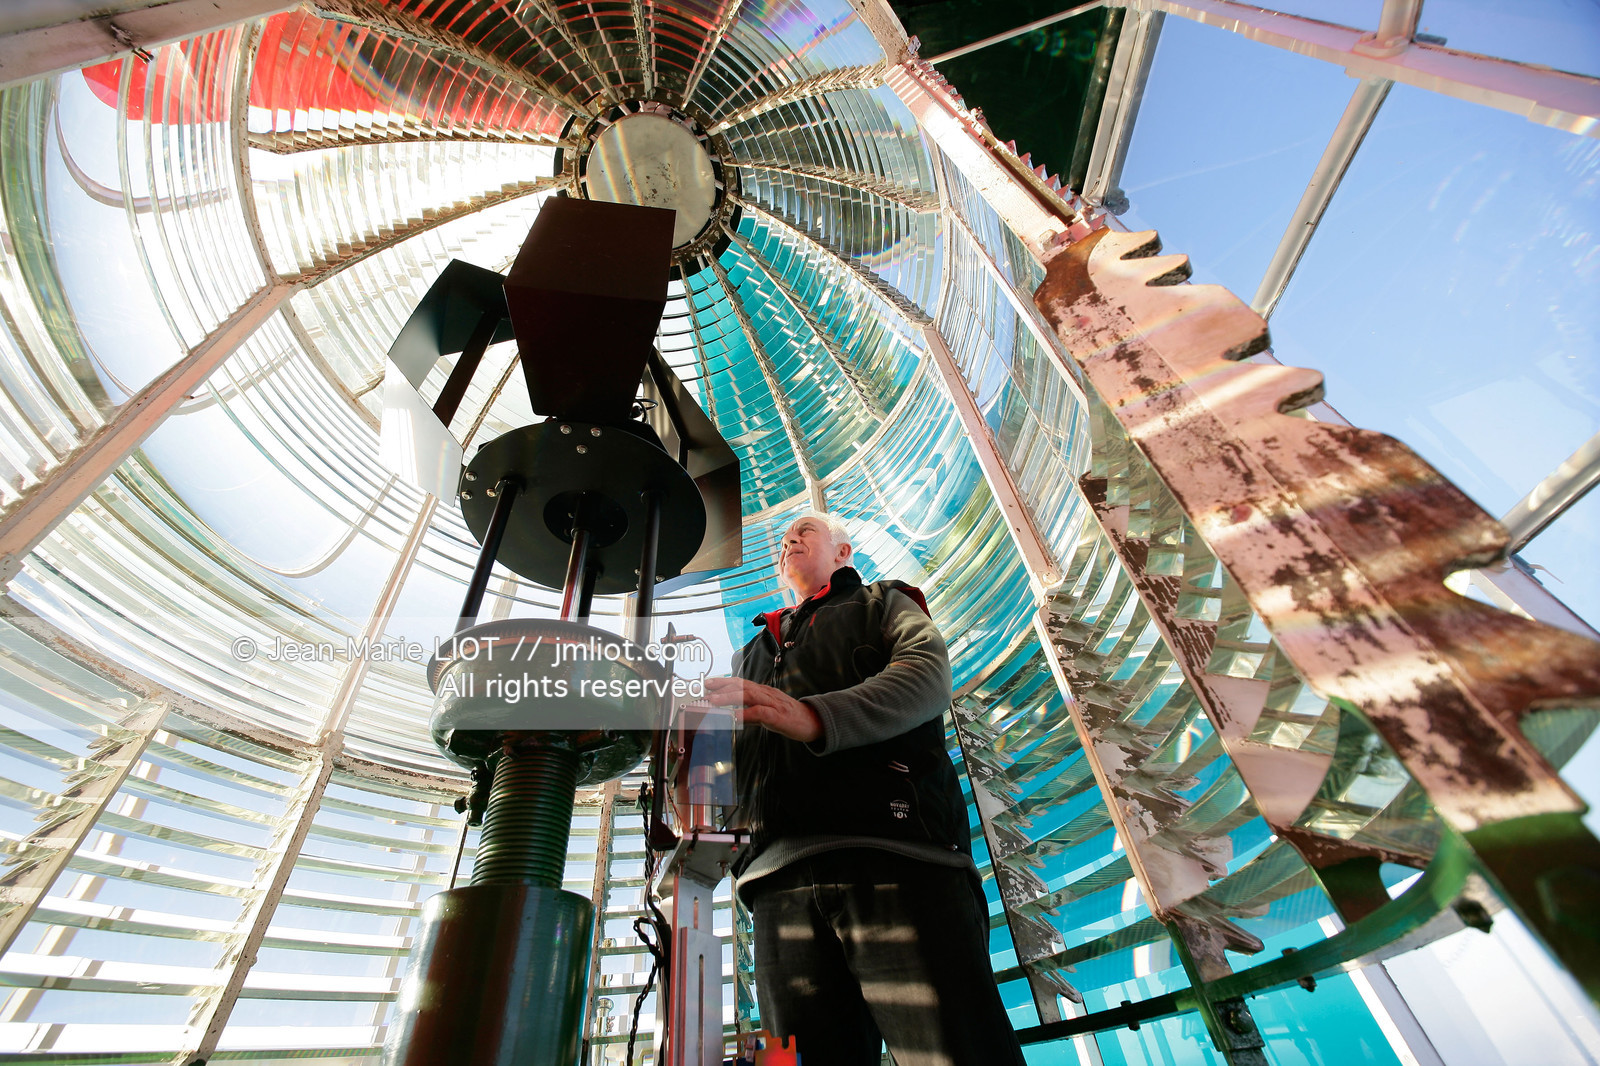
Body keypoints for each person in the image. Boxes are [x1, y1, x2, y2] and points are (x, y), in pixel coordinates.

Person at [702, 513, 1027, 1066]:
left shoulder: (883, 601)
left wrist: (813, 716)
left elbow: (926, 675)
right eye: (784, 540)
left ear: (843, 551)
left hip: (900, 859)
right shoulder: (749, 654)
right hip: (775, 890)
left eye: (804, 531)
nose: (789, 541)